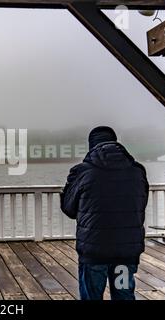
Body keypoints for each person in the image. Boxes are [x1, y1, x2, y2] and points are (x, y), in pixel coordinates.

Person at [60, 126, 148, 300]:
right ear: (115, 142)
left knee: (92, 297)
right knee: (123, 296)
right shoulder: (137, 171)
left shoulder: (82, 171)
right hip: (125, 253)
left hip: (94, 252)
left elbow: (69, 208)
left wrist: (67, 189)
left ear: (91, 145)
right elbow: (140, 205)